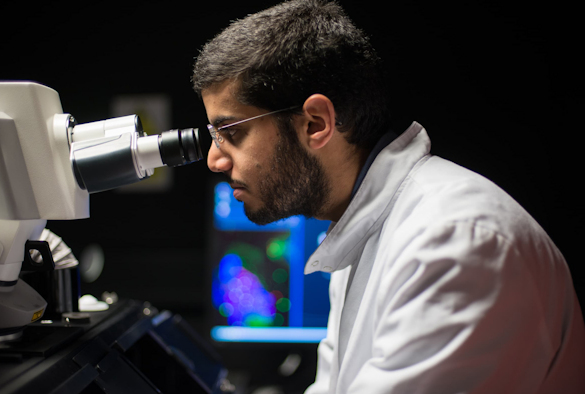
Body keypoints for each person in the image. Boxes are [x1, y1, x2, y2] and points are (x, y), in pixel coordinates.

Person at [192, 0, 585, 392]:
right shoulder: (360, 234)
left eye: (231, 133)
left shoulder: (454, 240)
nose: (214, 159)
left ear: (316, 123)